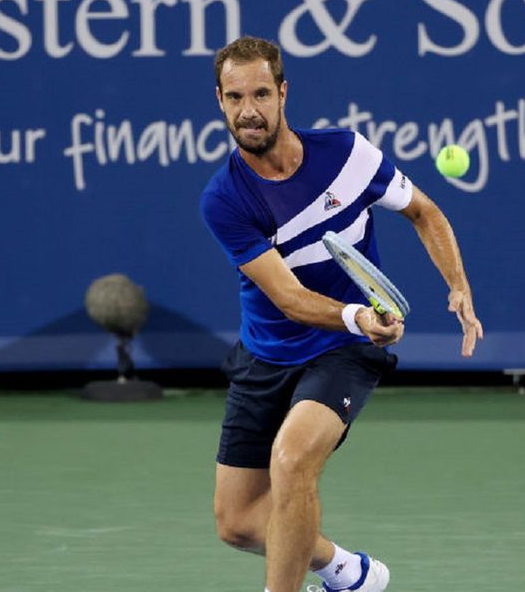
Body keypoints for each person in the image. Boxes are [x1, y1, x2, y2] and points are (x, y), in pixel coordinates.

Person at [199, 36, 484, 592]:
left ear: (284, 93)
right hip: (269, 353)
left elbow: (424, 211)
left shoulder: (349, 155)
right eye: (235, 98)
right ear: (220, 101)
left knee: (291, 462)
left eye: (261, 93)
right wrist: (358, 314)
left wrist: (458, 285)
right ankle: (346, 571)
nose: (248, 111)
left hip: (342, 350)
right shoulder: (225, 198)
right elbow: (288, 298)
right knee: (236, 524)